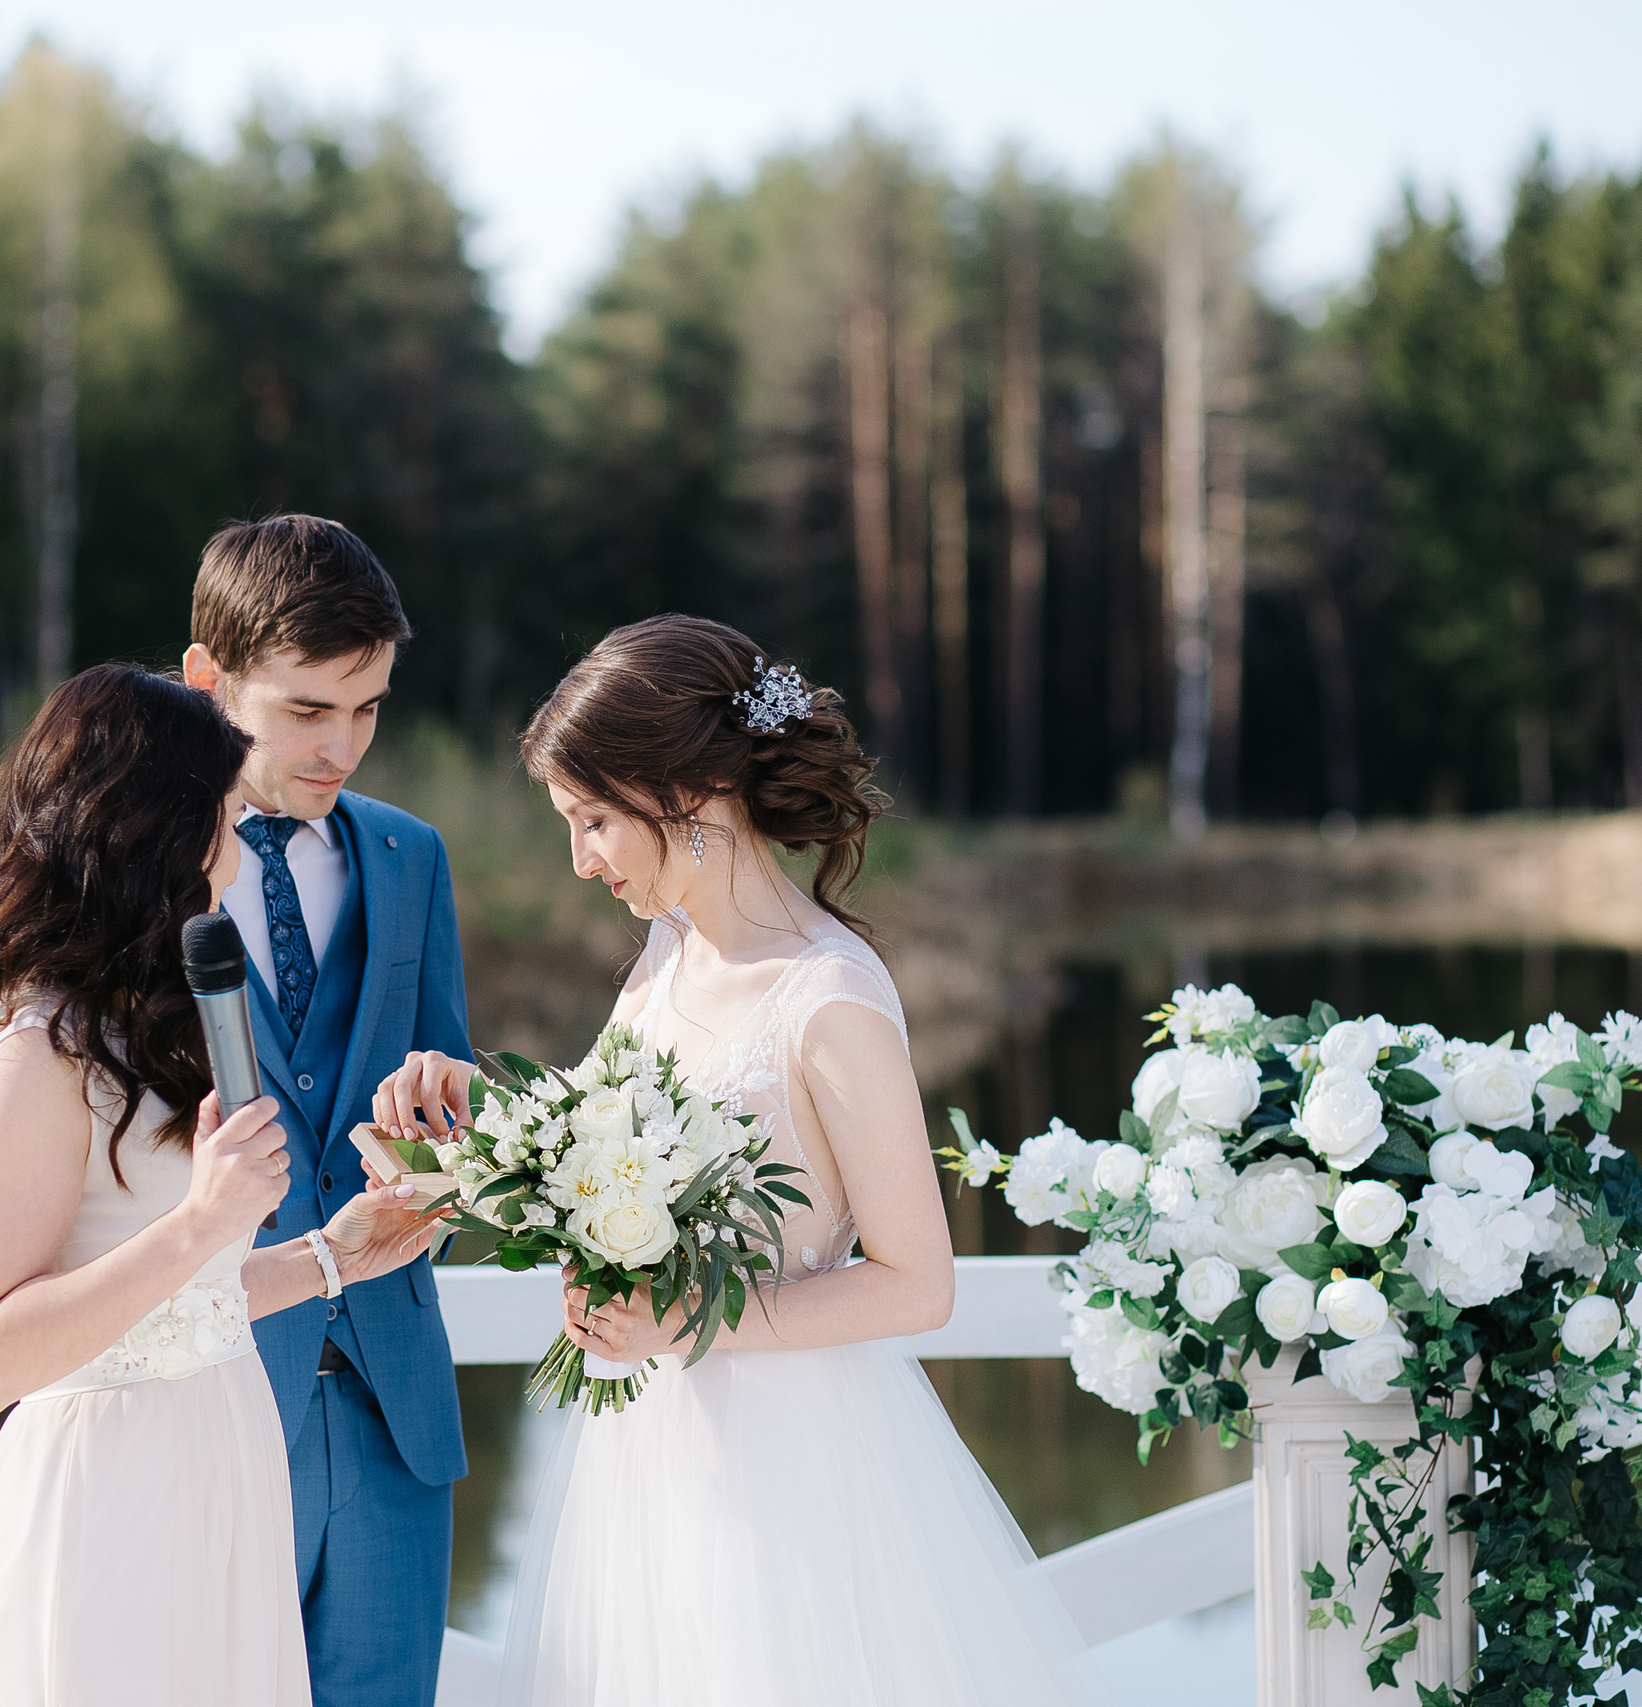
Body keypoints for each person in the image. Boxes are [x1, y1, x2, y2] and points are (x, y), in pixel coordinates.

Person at [375, 616, 1100, 1707]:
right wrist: (482, 1106)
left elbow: (918, 1282)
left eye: (593, 822)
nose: (579, 861)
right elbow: (601, 1142)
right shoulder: (666, 956)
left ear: (695, 791)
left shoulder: (831, 999)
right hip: (657, 1458)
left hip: (796, 1468)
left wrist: (682, 1322)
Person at [0, 663, 447, 1705]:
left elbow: (166, 1308)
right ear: (153, 831)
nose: (238, 857)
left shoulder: (132, 1024)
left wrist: (337, 1252)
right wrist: (200, 1224)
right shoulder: (30, 1050)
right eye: (227, 821)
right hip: (110, 1509)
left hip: (216, 1478)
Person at [182, 516, 472, 1707]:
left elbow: (455, 1089)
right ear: (209, 679)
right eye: (308, 710)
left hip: (392, 1396)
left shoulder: (410, 858)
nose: (342, 744)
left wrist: (449, 1135)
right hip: (211, 1382)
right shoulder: (128, 869)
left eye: (368, 708)